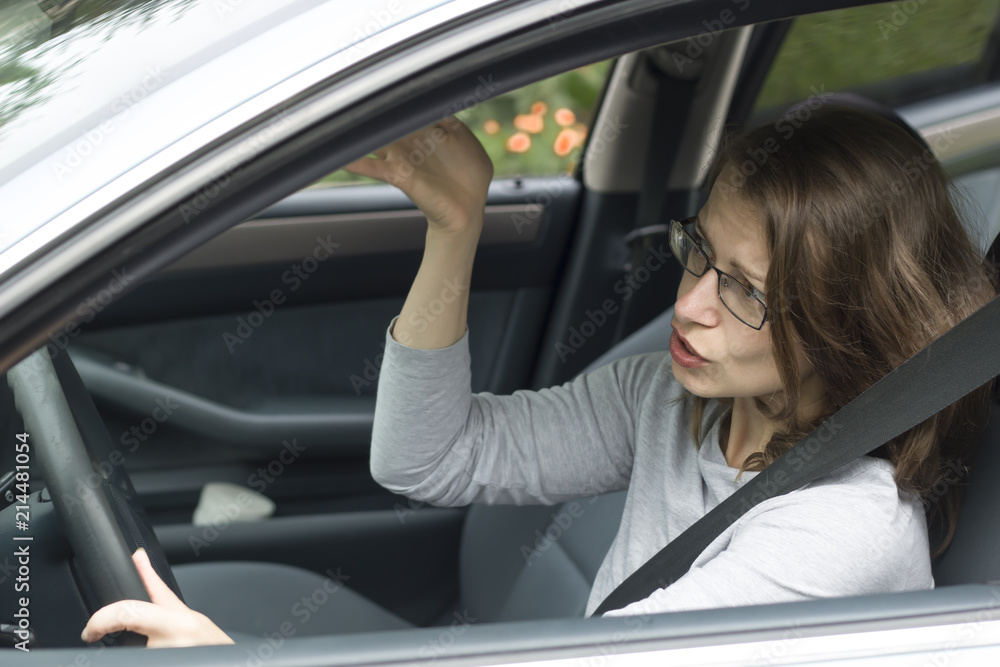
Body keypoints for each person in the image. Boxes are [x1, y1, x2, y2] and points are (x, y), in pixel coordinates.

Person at [81, 105, 998, 646]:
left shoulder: (843, 532)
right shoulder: (672, 401)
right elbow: (427, 459)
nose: (688, 307)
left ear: (841, 326)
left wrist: (234, 663)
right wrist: (456, 223)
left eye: (746, 291)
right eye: (698, 254)